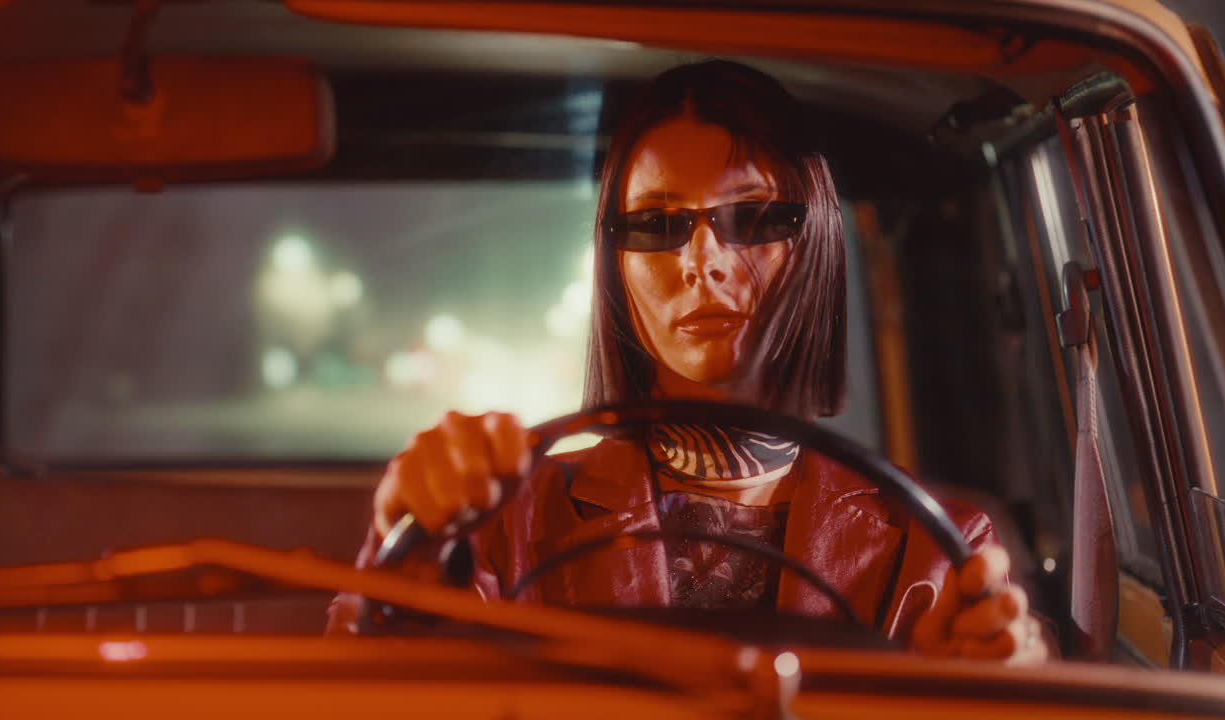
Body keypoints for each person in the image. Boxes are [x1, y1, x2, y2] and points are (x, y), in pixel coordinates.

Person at [329, 60, 1048, 663]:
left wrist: (993, 684)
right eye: (657, 225)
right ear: (614, 264)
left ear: (818, 241)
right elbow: (373, 693)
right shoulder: (508, 526)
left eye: (754, 215)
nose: (702, 262)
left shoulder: (935, 547)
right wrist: (408, 547)